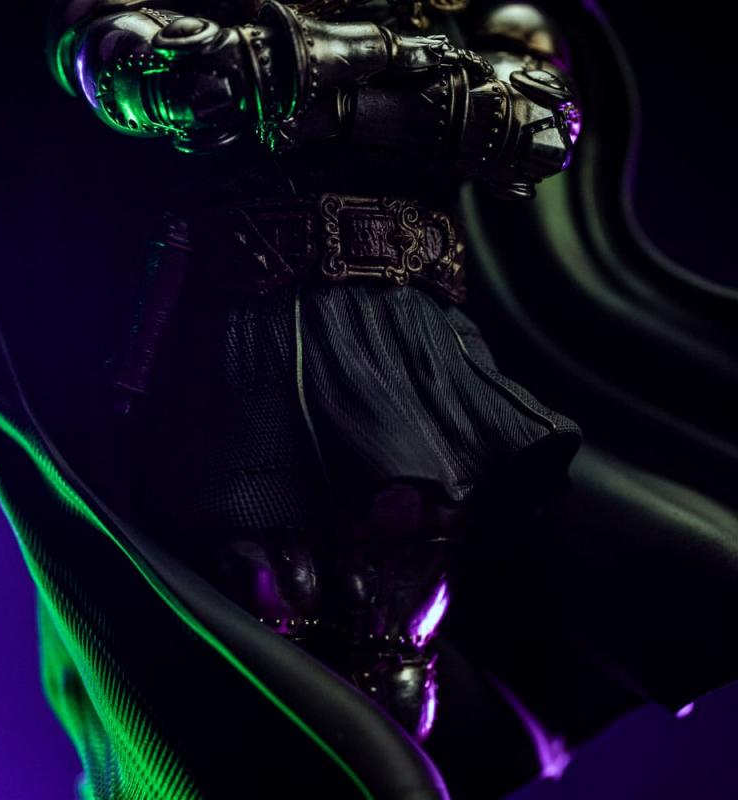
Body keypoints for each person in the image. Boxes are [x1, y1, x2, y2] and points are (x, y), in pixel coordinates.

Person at [45, 0, 581, 744]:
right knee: (263, 605)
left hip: (408, 324)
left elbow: (534, 123)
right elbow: (178, 82)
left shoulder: (486, 8)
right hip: (241, 322)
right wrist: (409, 70)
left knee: (396, 623)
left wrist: (300, 75)